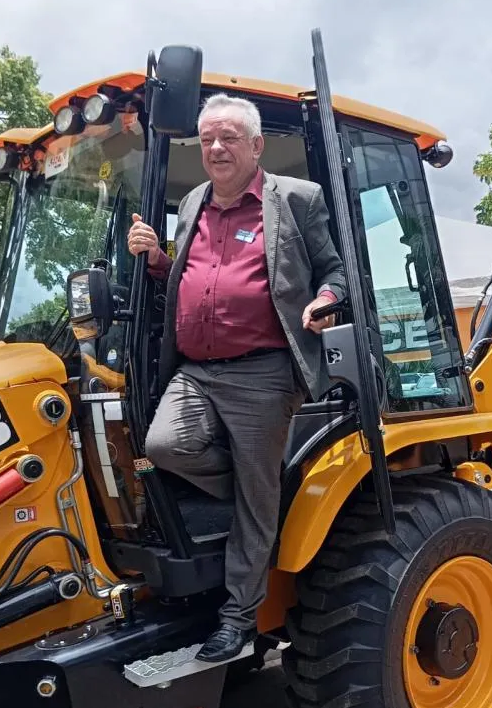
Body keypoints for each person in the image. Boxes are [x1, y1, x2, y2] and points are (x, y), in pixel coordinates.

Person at [127, 92, 345, 663]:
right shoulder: (194, 201)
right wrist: (156, 261)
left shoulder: (297, 199)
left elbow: (336, 271)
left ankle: (237, 619)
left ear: (255, 145)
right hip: (198, 369)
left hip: (263, 371)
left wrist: (325, 299)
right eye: (207, 140)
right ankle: (266, 496)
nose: (216, 149)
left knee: (255, 496)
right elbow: (193, 275)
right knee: (163, 445)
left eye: (227, 138)